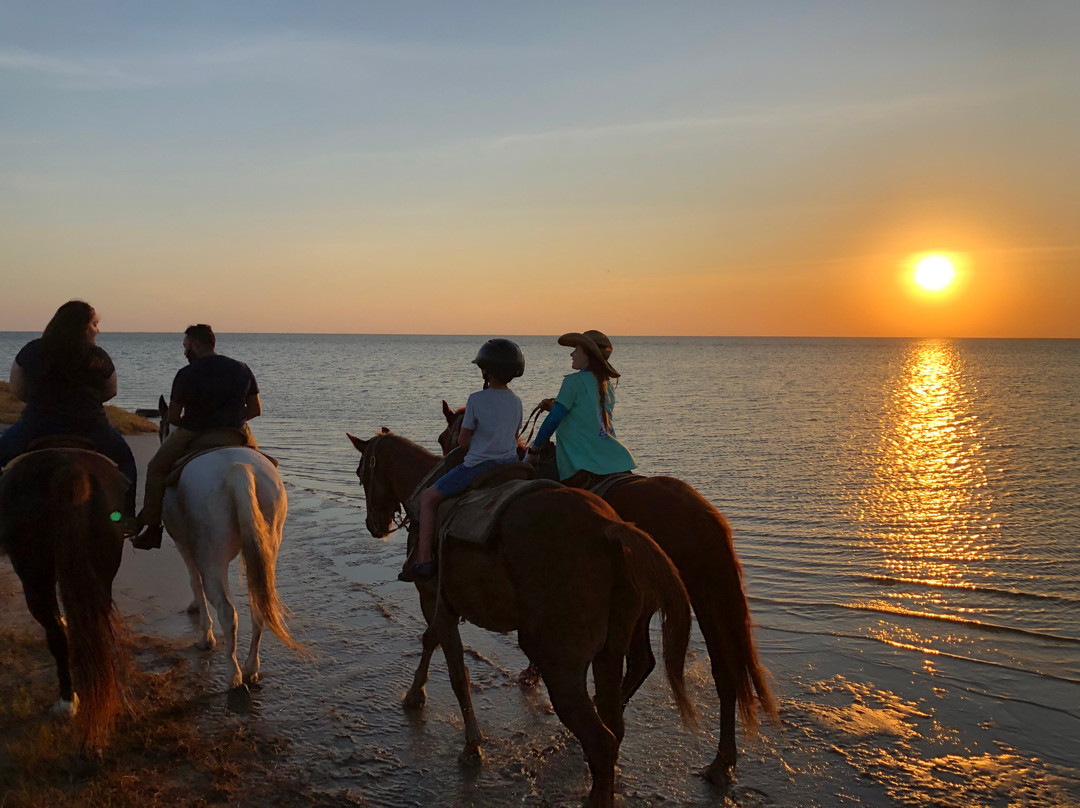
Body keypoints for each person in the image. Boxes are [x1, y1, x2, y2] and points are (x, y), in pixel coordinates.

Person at [0, 300, 138, 524]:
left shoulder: (32, 350)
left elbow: (17, 389)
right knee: (125, 462)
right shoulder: (98, 357)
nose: (98, 330)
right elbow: (111, 391)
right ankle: (122, 518)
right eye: (95, 324)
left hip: (36, 427)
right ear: (83, 326)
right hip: (91, 428)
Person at [399, 338, 524, 582]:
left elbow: (464, 441)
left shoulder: (476, 399)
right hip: (511, 466)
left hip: (478, 467)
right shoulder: (516, 401)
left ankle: (423, 559)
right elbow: (514, 434)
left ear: (486, 370)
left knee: (428, 497)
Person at [132, 324, 262, 550]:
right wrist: (231, 419)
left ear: (195, 344)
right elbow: (255, 410)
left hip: (195, 432)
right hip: (236, 432)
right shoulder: (242, 368)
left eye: (185, 346)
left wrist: (194, 422)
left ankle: (152, 528)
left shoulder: (187, 373)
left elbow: (172, 417)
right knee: (264, 465)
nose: (184, 352)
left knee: (156, 468)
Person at [524, 330, 635, 487]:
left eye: (576, 350)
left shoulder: (573, 381)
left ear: (588, 355)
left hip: (581, 460)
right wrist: (555, 406)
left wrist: (534, 450)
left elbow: (554, 419)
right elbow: (586, 413)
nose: (572, 354)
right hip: (614, 458)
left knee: (532, 484)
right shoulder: (607, 384)